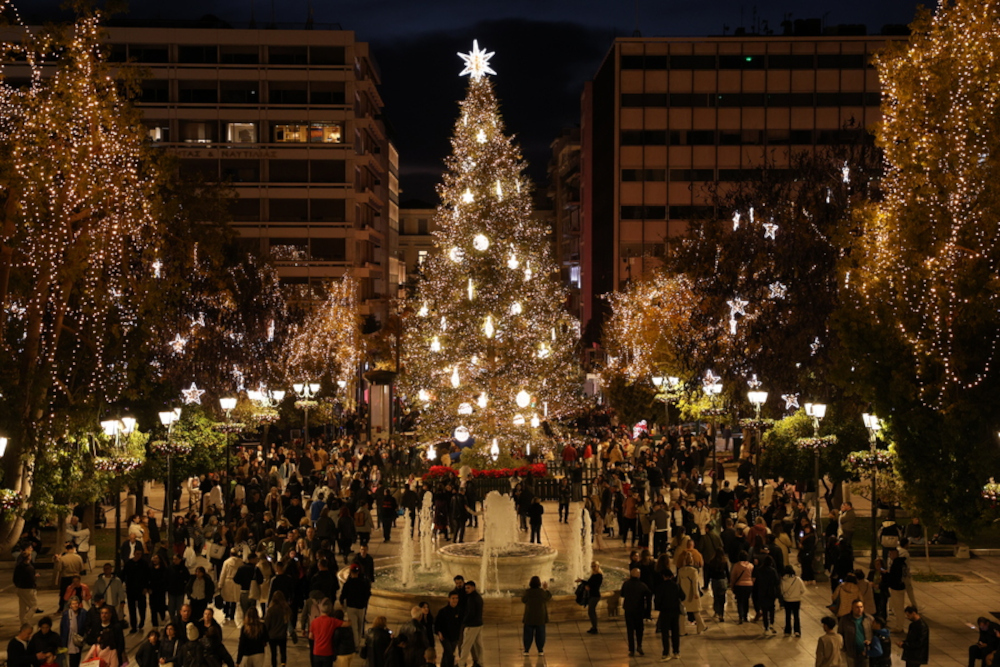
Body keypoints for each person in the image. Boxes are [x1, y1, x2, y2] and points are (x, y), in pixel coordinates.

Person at [653, 566, 684, 661]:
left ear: (663, 576)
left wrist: (659, 608)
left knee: (665, 633)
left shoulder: (661, 587)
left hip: (665, 612)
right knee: (675, 632)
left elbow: (657, 600)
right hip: (675, 611)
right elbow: (683, 596)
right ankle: (676, 652)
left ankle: (666, 653)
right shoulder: (675, 585)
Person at [340, 563, 372, 650]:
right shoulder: (364, 583)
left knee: (354, 627)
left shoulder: (348, 583)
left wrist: (342, 604)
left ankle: (356, 645)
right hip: (361, 607)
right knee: (360, 626)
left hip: (351, 607)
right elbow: (368, 594)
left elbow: (342, 595)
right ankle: (358, 642)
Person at [521, 575, 551, 657]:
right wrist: (546, 589)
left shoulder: (528, 592)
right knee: (540, 634)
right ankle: (540, 650)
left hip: (529, 616)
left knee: (527, 634)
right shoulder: (542, 592)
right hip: (540, 617)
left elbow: (523, 600)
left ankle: (526, 650)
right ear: (539, 583)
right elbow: (548, 597)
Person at [838, 599, 874, 667]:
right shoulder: (845, 619)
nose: (859, 609)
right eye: (857, 607)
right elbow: (840, 634)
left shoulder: (869, 619)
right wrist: (843, 648)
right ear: (852, 607)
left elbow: (874, 633)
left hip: (866, 652)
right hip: (851, 652)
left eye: (861, 607)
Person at [676, 551, 706, 635]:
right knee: (696, 611)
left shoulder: (681, 570)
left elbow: (678, 583)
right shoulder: (693, 571)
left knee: (682, 613)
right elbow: (695, 583)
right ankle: (700, 627)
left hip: (683, 594)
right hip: (692, 594)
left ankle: (681, 630)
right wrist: (696, 593)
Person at [310, 599, 342, 667]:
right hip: (328, 653)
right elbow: (346, 624)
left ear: (320, 610)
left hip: (317, 652)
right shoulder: (333, 621)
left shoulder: (314, 621)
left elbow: (310, 636)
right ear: (330, 611)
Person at [458, 580, 484, 667]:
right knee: (478, 645)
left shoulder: (472, 599)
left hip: (471, 625)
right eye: (466, 588)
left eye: (468, 588)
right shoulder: (477, 597)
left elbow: (470, 613)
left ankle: (461, 663)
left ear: (473, 587)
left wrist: (464, 622)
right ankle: (480, 662)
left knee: (466, 645)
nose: (466, 590)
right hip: (478, 624)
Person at [434, 594, 463, 667]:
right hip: (445, 637)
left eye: (456, 598)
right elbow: (437, 624)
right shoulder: (443, 611)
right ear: (449, 599)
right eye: (453, 598)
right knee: (449, 654)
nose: (455, 600)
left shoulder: (460, 611)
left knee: (447, 653)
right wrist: (439, 633)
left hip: (455, 637)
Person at [264, 590, 291, 667]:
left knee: (273, 654)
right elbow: (288, 623)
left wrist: (265, 636)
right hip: (282, 635)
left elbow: (267, 624)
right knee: (283, 652)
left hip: (272, 636)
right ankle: (283, 664)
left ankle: (274, 665)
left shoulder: (271, 610)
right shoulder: (286, 609)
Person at [576, 561, 603, 634]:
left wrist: (589, 587)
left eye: (594, 566)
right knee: (591, 612)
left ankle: (595, 628)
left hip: (595, 596)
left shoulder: (599, 576)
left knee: (591, 611)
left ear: (598, 566)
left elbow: (596, 586)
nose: (593, 568)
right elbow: (589, 583)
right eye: (592, 566)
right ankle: (594, 627)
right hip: (592, 595)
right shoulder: (593, 574)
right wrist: (581, 580)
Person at [14, 545, 38, 628]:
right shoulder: (30, 568)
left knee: (22, 607)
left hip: (19, 588)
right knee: (34, 606)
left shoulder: (18, 567)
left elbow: (14, 578)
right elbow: (31, 580)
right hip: (28, 589)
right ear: (29, 558)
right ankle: (25, 621)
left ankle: (22, 624)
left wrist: (17, 585)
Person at [780, 565, 806, 637]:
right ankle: (797, 631)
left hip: (787, 600)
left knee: (787, 615)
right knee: (796, 616)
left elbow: (781, 591)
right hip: (796, 600)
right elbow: (803, 590)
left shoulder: (783, 580)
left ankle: (788, 630)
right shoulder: (797, 579)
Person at [61, 597, 87, 667]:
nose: (75, 605)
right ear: (70, 605)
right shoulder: (66, 614)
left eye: (76, 603)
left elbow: (86, 625)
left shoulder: (83, 613)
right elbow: (63, 628)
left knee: (78, 656)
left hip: (79, 639)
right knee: (72, 657)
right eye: (73, 604)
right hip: (70, 639)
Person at [729, 551, 754, 624]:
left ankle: (741, 616)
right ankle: (746, 616)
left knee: (740, 601)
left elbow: (733, 577)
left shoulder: (736, 566)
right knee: (746, 601)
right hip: (749, 585)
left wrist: (732, 585)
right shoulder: (751, 566)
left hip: (739, 585)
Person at [705, 550, 729, 622]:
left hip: (715, 581)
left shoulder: (712, 562)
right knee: (722, 598)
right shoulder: (724, 562)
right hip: (722, 581)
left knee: (716, 597)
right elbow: (727, 572)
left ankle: (716, 611)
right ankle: (721, 614)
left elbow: (708, 574)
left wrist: (707, 583)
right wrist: (730, 581)